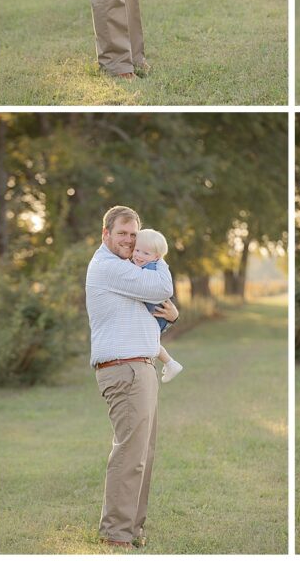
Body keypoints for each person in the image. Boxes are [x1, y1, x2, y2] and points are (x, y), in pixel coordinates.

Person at [85, 205, 179, 548]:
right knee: (129, 454)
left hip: (140, 366)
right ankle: (116, 534)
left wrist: (173, 315)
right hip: (124, 370)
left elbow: (148, 318)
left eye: (134, 235)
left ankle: (133, 529)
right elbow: (162, 286)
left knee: (143, 454)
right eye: (122, 233)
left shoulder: (126, 267)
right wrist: (160, 255)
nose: (128, 240)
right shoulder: (109, 267)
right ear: (106, 234)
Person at [131, 228, 184, 382]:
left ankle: (170, 363)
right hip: (159, 311)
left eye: (145, 253)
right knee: (150, 341)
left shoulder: (148, 269)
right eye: (137, 250)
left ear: (156, 257)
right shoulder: (150, 264)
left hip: (159, 313)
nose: (139, 255)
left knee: (147, 340)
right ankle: (170, 363)